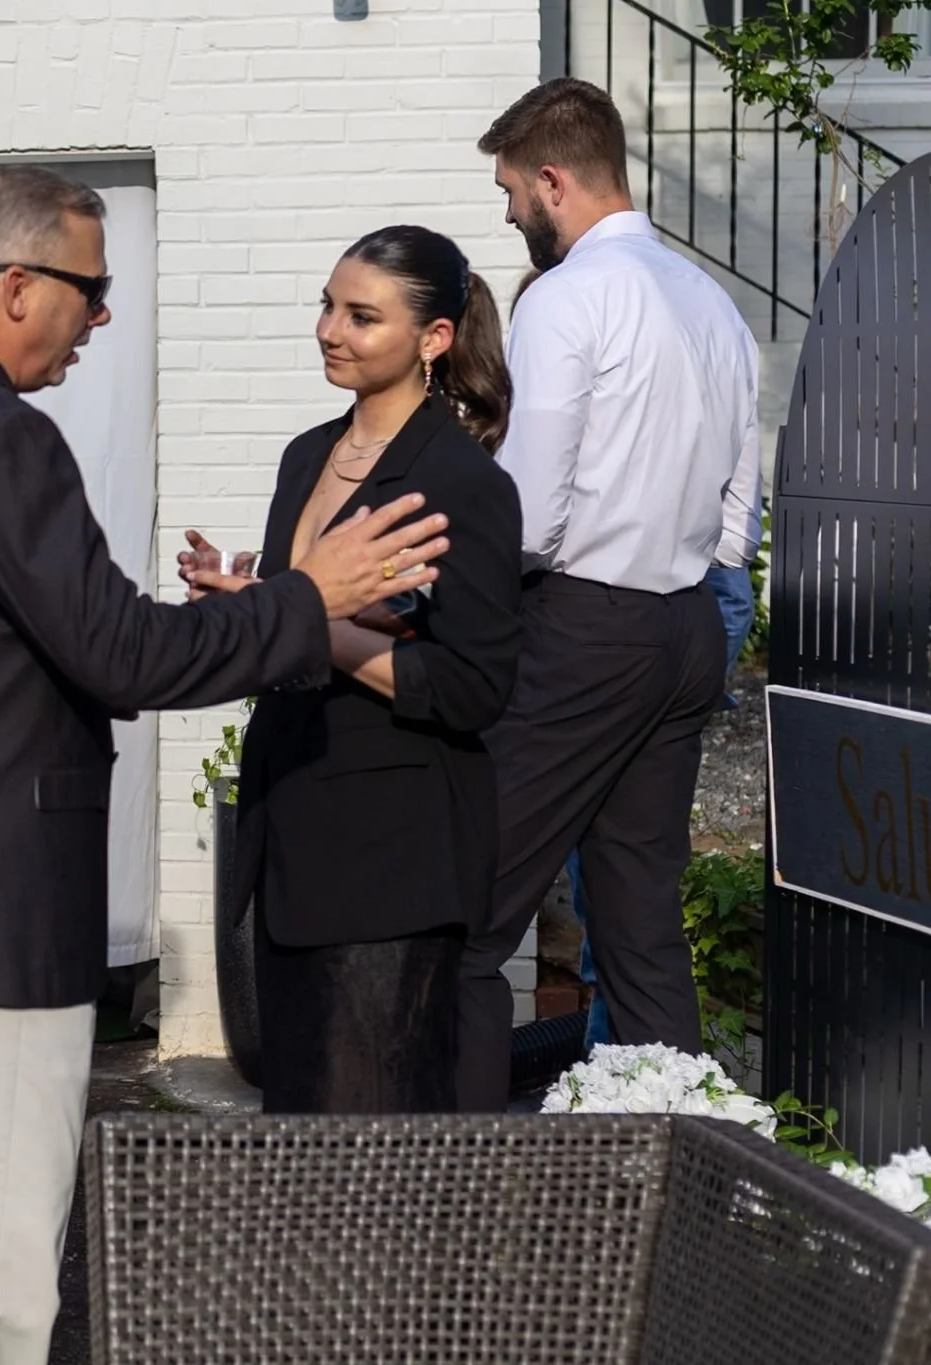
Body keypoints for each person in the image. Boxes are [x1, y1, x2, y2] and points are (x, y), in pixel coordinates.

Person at [0, 165, 452, 1365]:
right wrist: (310, 597)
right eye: (90, 292)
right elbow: (123, 651)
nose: (99, 319)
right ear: (18, 283)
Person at [457, 78, 762, 1112]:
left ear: (551, 180)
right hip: (682, 626)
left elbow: (529, 513)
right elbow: (733, 521)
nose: (506, 213)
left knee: (468, 907)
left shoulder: (566, 297)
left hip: (585, 625)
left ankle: (427, 1168)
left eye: (509, 191)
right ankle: (678, 1169)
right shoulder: (710, 299)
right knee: (636, 924)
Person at [193, 227, 521, 1114]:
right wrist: (243, 607)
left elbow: (473, 689)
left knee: (370, 1140)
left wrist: (314, 621)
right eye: (328, 305)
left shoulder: (464, 484)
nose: (330, 329)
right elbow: (295, 626)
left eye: (361, 315)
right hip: (291, 830)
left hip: (393, 858)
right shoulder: (307, 456)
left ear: (435, 338)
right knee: (297, 1130)